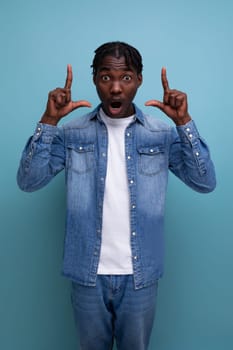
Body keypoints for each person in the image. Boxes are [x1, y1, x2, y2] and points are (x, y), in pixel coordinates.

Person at [17, 41, 216, 350]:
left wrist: (183, 124)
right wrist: (49, 121)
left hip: (140, 275)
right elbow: (28, 181)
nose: (115, 88)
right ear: (95, 78)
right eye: (106, 77)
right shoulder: (72, 133)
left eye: (125, 77)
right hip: (87, 274)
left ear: (138, 79)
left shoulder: (161, 134)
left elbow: (205, 182)